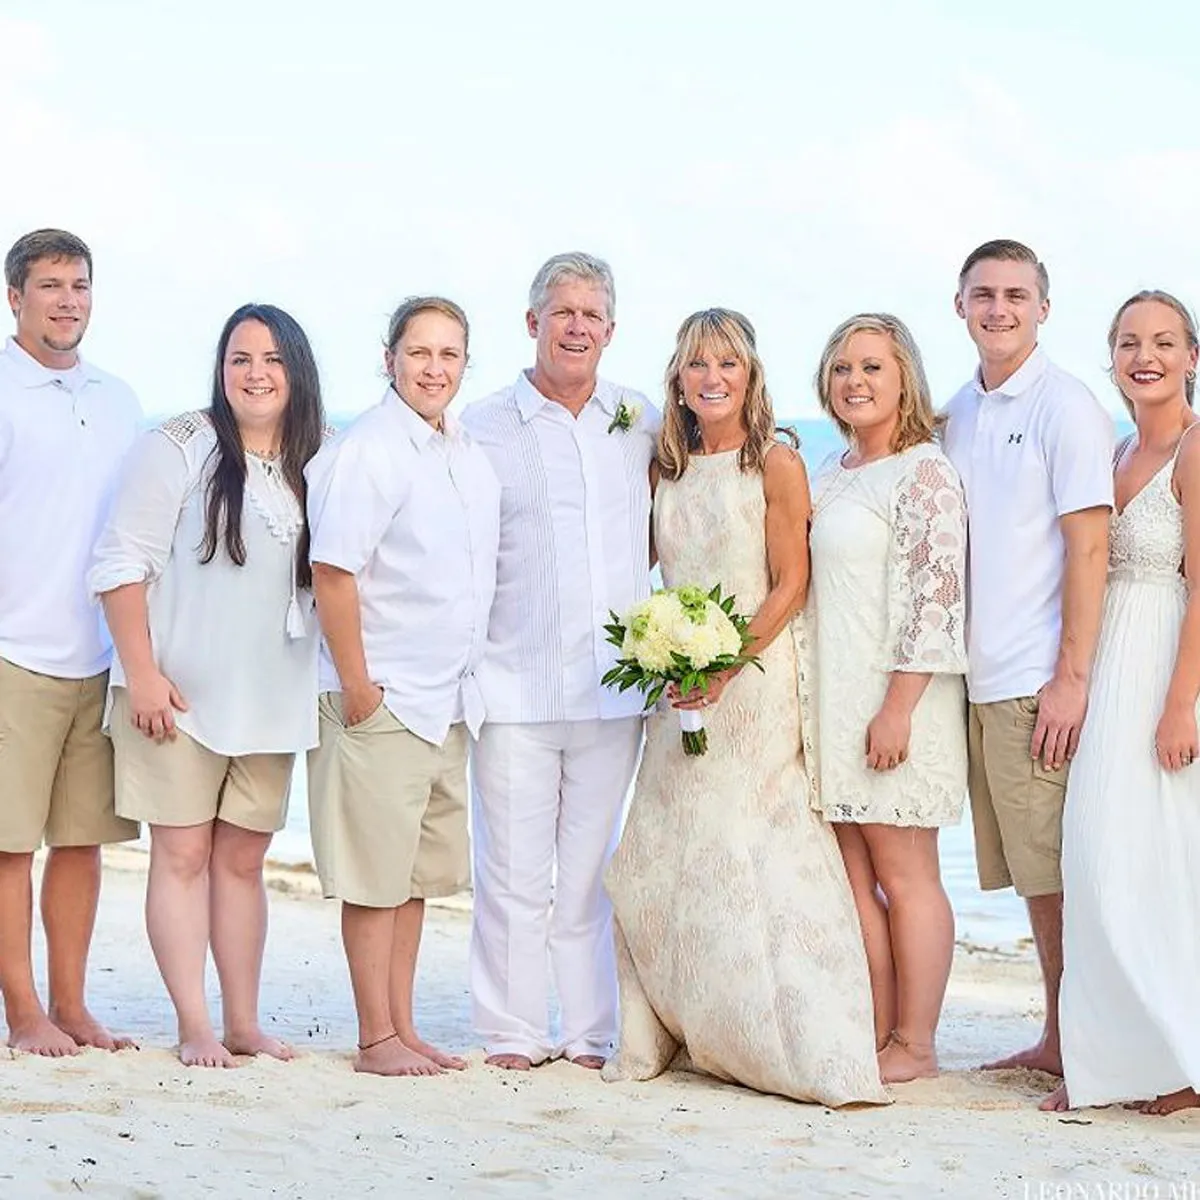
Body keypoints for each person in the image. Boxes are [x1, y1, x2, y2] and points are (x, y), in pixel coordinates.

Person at [602, 308, 886, 1106]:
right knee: (658, 851)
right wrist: (661, 651)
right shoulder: (664, 468)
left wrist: (726, 666)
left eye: (727, 363)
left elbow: (790, 584)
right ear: (678, 380)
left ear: (751, 374)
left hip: (753, 682)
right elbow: (635, 566)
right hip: (677, 684)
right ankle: (683, 1021)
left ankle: (778, 1037)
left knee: (747, 849)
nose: (713, 377)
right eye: (698, 364)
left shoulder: (778, 463)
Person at [90, 303, 325, 1067]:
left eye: (272, 359)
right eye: (240, 359)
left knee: (243, 864)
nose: (256, 374)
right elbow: (120, 564)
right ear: (221, 370)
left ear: (297, 371)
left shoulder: (320, 457)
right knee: (182, 856)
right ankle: (195, 1026)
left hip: (273, 698)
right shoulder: (177, 447)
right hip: (177, 698)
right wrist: (143, 676)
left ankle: (244, 1023)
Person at [462, 252, 657, 1071]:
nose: (577, 327)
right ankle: (513, 1031)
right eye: (562, 311)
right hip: (513, 686)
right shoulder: (481, 425)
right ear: (532, 321)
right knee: (511, 873)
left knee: (588, 876)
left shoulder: (641, 419)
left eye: (592, 315)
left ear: (610, 330)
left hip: (614, 691)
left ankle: (589, 1033)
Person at [306, 296, 499, 1077]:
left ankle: (402, 1027)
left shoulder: (462, 449)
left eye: (449, 355)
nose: (434, 368)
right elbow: (332, 571)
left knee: (413, 879)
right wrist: (359, 687)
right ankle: (374, 1038)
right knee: (374, 880)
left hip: (445, 701)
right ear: (389, 360)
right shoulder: (371, 449)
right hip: (383, 696)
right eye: (419, 352)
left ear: (465, 365)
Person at [942, 239, 1113, 1076]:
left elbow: (1090, 548)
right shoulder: (957, 411)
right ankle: (1058, 1033)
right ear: (960, 306)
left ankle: (1076, 1041)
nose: (999, 308)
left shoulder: (1067, 407)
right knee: (1031, 875)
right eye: (984, 294)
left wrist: (1071, 679)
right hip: (974, 680)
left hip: (1033, 680)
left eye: (1016, 295)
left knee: (1054, 875)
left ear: (1044, 308)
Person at [1043, 291, 1200, 1115]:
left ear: (1192, 358)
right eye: (1131, 342)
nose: (1147, 357)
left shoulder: (1196, 449)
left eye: (1165, 342)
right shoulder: (1114, 452)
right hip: (1109, 669)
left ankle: (1180, 1064)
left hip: (1165, 665)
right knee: (1099, 858)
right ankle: (1115, 1058)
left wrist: (1180, 706)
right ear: (1111, 358)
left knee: (1161, 863)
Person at [806, 313, 968, 1084]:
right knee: (852, 880)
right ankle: (876, 1032)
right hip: (836, 701)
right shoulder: (831, 470)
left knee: (906, 878)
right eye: (843, 368)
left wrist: (898, 708)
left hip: (896, 702)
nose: (856, 381)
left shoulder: (923, 472)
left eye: (872, 366)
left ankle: (918, 1044)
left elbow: (937, 600)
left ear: (905, 379)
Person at [0, 229, 142, 1056]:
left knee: (82, 841)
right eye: (50, 285)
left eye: (79, 285)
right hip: (12, 652)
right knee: (9, 845)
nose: (67, 300)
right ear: (15, 297)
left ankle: (73, 1005)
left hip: (99, 655)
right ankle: (23, 1012)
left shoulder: (118, 398)